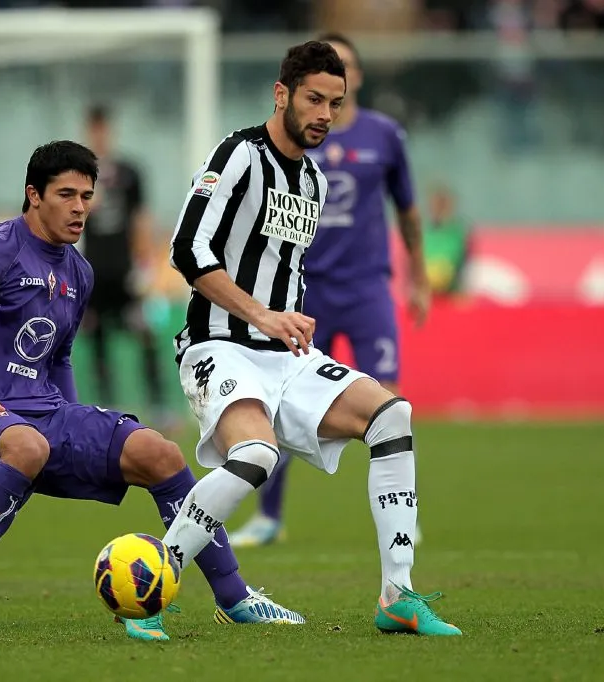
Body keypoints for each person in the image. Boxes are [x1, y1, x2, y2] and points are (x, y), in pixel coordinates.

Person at [0, 141, 303, 643]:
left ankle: (235, 596)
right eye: (65, 194)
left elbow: (61, 357)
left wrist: (72, 415)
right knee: (27, 444)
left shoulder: (78, 272)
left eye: (86, 196)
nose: (80, 208)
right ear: (33, 195)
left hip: (46, 415)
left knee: (161, 453)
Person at [160, 41, 460, 636]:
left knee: (392, 417)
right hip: (219, 345)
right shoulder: (238, 155)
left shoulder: (314, 180)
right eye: (314, 100)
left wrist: (289, 318)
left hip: (285, 356)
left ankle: (396, 596)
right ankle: (154, 580)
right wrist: (263, 314)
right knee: (256, 455)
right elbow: (186, 248)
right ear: (282, 95)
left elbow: (284, 265)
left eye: (336, 103)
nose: (326, 113)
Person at [229, 33, 431, 548]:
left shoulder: (385, 135)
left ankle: (401, 517)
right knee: (280, 401)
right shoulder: (288, 149)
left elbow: (407, 209)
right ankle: (268, 516)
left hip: (367, 287)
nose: (325, 107)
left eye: (346, 71)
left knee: (388, 403)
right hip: (306, 290)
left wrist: (420, 278)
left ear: (356, 77)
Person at [80, 106, 168, 421]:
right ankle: (106, 408)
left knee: (145, 333)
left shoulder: (130, 172)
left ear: (110, 131)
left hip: (125, 273)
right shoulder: (78, 174)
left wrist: (145, 267)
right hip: (93, 274)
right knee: (97, 338)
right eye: (94, 129)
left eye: (103, 128)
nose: (99, 134)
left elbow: (141, 221)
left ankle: (158, 405)